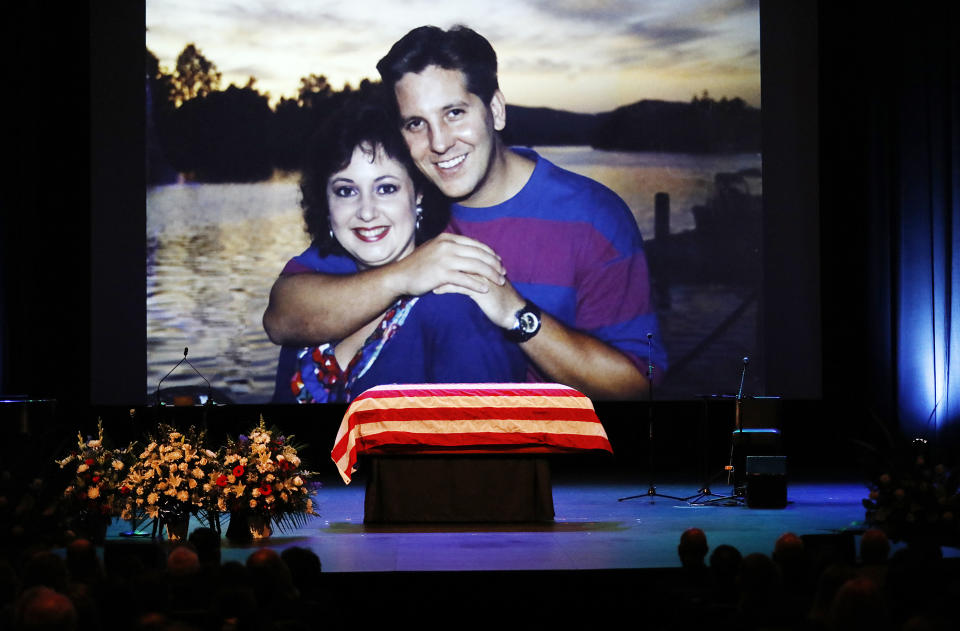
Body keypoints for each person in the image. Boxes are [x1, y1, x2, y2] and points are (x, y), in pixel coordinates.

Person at [264, 25, 665, 400]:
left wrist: (516, 313)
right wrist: (406, 273)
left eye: (454, 113)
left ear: (496, 110)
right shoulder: (401, 214)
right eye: (416, 123)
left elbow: (637, 383)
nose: (439, 143)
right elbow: (284, 315)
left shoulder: (593, 217)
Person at [271, 96, 527, 403]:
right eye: (346, 191)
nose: (366, 212)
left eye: (386, 188)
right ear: (326, 204)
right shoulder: (316, 292)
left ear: (418, 194)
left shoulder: (454, 308)